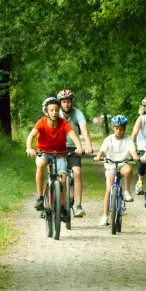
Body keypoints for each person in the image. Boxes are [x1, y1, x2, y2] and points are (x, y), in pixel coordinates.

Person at [26, 97, 84, 218]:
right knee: (41, 164)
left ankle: (62, 206)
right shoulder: (41, 122)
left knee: (63, 177)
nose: (54, 113)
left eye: (56, 110)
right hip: (43, 152)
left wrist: (79, 147)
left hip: (60, 154)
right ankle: (40, 198)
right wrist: (29, 148)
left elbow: (73, 136)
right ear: (46, 112)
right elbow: (31, 136)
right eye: (51, 110)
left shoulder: (63, 123)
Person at [93, 115, 139, 226]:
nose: (119, 131)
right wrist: (98, 157)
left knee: (128, 170)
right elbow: (103, 150)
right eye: (117, 128)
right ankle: (105, 216)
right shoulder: (109, 139)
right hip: (111, 165)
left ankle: (127, 191)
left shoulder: (128, 139)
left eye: (121, 129)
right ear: (113, 128)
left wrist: (135, 156)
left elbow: (132, 149)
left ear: (125, 129)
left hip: (123, 164)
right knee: (109, 190)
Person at [57, 89, 93, 217]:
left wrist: (88, 146)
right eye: (64, 102)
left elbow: (85, 131)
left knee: (77, 172)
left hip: (74, 148)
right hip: (58, 148)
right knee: (56, 175)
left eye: (68, 101)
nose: (66, 104)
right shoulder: (56, 113)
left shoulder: (78, 113)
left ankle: (78, 206)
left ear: (72, 102)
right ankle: (51, 201)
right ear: (60, 103)